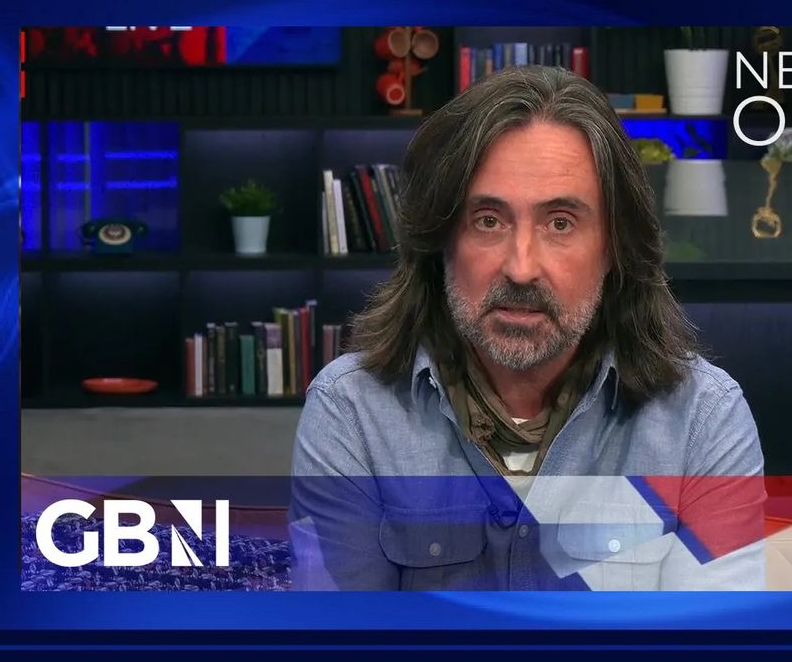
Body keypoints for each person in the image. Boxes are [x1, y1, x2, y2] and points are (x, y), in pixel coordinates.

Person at [289, 65, 765, 591]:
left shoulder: (702, 420)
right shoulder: (352, 411)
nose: (520, 268)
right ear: (441, 242)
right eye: (488, 220)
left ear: (615, 248)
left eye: (560, 223)